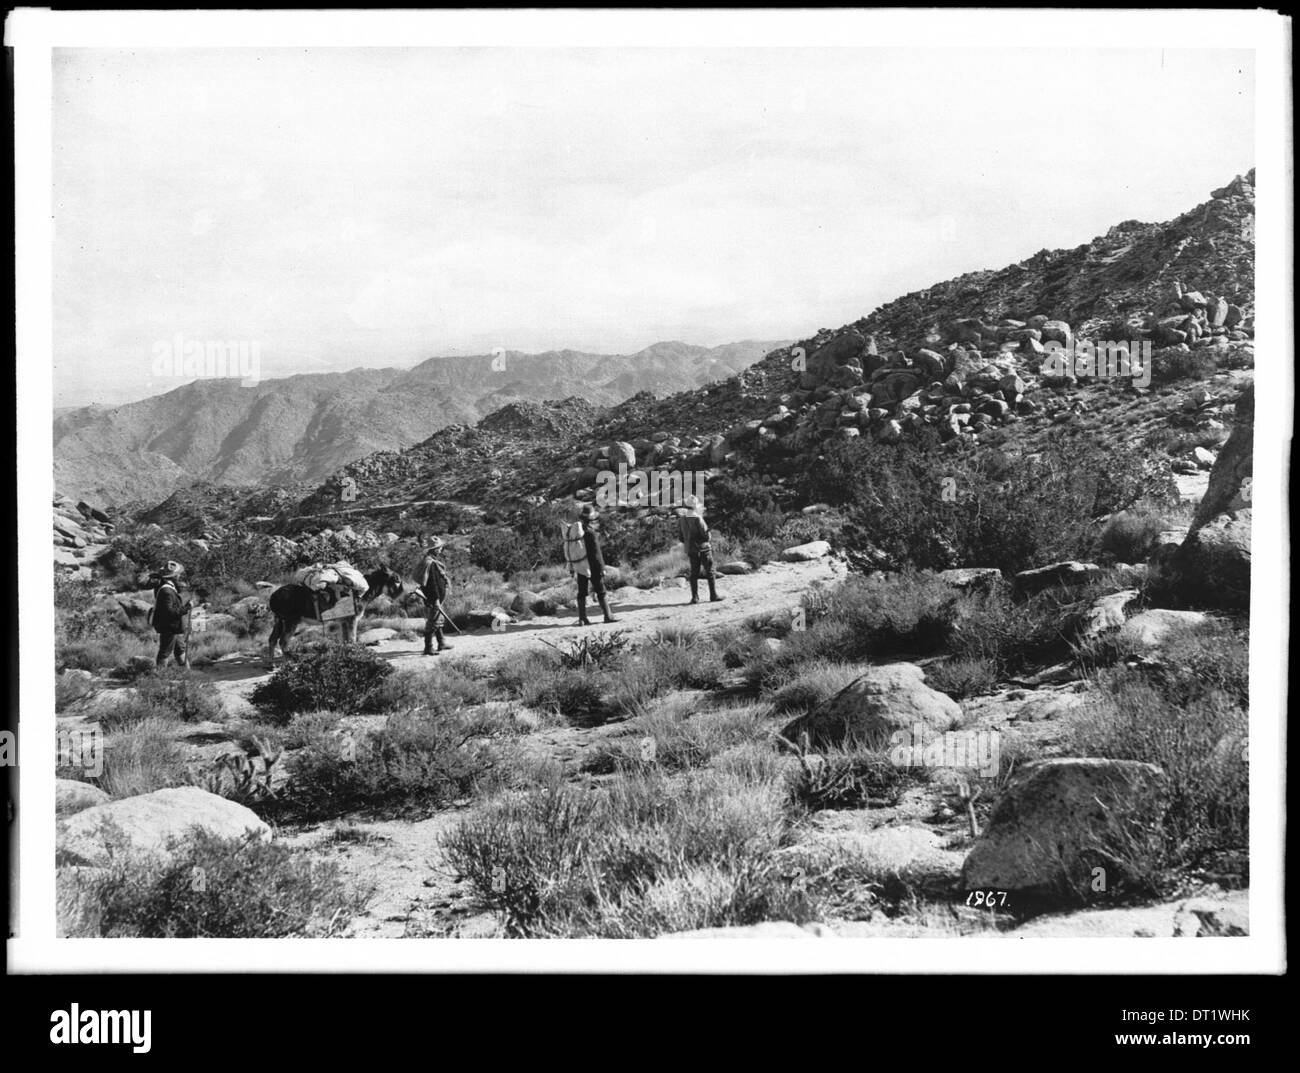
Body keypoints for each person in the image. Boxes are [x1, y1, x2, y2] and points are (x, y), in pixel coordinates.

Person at [569, 504, 618, 625]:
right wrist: (602, 568)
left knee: (582, 592)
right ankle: (608, 616)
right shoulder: (591, 532)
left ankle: (582, 618)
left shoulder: (577, 534)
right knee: (601, 590)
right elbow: (597, 553)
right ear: (592, 518)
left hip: (581, 566)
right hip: (593, 567)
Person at [677, 494, 722, 604]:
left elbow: (681, 538)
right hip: (703, 549)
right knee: (710, 571)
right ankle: (713, 595)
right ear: (695, 506)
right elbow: (707, 537)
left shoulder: (681, 519)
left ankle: (695, 598)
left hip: (691, 549)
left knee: (694, 573)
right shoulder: (698, 518)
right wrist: (707, 535)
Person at [150, 560, 192, 669]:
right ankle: (161, 676)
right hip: (169, 627)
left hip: (173, 627)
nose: (179, 576)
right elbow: (170, 612)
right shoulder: (166, 591)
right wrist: (187, 608)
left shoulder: (166, 587)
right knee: (165, 652)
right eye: (178, 574)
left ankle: (186, 674)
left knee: (180, 649)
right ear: (174, 576)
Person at [418, 538, 451, 655]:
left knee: (438, 620)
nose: (441, 549)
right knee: (432, 622)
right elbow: (433, 584)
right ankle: (428, 647)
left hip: (435, 597)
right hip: (433, 598)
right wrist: (436, 600)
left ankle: (441, 642)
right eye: (439, 547)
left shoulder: (431, 561)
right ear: (435, 549)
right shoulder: (430, 563)